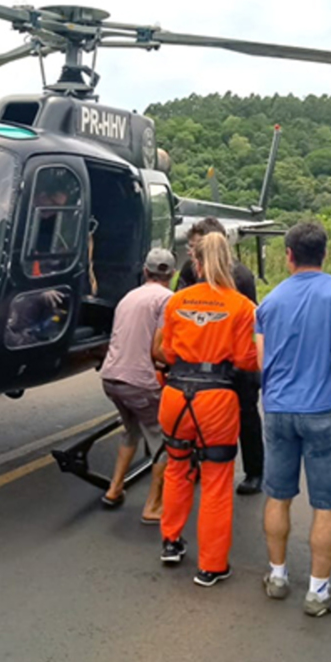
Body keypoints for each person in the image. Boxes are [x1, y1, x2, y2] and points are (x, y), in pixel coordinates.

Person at [254, 222, 331, 617]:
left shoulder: (270, 302)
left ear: (289, 255)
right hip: (321, 409)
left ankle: (278, 576)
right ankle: (318, 592)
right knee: (325, 504)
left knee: (278, 495)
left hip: (279, 409)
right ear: (325, 253)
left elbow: (261, 361)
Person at [153, 232, 258, 587]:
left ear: (195, 263)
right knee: (216, 480)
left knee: (177, 468)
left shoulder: (177, 301)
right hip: (216, 399)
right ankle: (211, 566)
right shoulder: (242, 306)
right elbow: (246, 359)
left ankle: (170, 542)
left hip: (175, 395)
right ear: (228, 261)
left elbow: (167, 352)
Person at [177, 217, 264, 495]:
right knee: (199, 417)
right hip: (205, 362)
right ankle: (198, 463)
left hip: (238, 364)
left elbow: (253, 323)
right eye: (190, 248)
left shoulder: (242, 277)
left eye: (196, 248)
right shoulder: (190, 272)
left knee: (247, 417)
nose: (191, 254)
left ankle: (254, 471)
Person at [98, 248, 176, 522]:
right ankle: (153, 506)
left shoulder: (128, 297)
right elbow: (158, 349)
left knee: (131, 431)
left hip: (111, 378)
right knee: (164, 440)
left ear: (145, 271)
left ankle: (114, 488)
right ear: (173, 274)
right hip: (139, 381)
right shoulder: (168, 299)